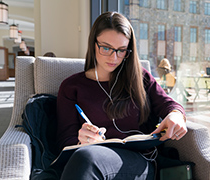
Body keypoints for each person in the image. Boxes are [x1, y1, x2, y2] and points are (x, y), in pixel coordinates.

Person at [53, 12, 187, 179]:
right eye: (106, 48)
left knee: (87, 158)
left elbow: (169, 104)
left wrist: (176, 115)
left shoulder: (140, 78)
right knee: (86, 156)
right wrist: (81, 141)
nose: (114, 57)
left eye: (121, 50)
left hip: (139, 162)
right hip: (90, 159)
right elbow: (64, 141)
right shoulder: (71, 87)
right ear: (93, 43)